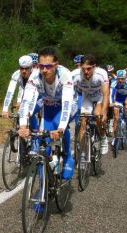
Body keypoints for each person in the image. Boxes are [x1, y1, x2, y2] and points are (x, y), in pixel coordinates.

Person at [18, 47, 75, 181]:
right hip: (49, 106)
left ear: (56, 65)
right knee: (43, 150)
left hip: (65, 106)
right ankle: (42, 193)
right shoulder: (35, 76)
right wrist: (22, 125)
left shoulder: (64, 74)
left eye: (48, 66)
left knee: (57, 125)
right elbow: (26, 101)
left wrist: (61, 128)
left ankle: (67, 156)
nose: (44, 70)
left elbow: (67, 103)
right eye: (41, 66)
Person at [72, 54, 110, 155]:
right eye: (83, 69)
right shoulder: (75, 74)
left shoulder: (101, 73)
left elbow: (106, 93)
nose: (86, 72)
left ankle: (103, 138)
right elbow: (67, 92)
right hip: (87, 96)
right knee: (83, 120)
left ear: (94, 66)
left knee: (98, 115)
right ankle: (83, 155)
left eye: (89, 69)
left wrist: (104, 112)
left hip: (99, 95)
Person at [1, 54, 40, 130]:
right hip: (28, 95)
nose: (24, 71)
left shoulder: (36, 75)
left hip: (39, 97)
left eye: (26, 68)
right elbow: (10, 92)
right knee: (21, 113)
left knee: (29, 114)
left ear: (31, 67)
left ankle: (36, 139)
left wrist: (29, 110)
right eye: (22, 68)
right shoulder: (16, 74)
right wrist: (5, 109)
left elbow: (35, 95)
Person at [110, 70, 127, 144]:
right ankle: (115, 136)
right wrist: (111, 102)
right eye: (119, 78)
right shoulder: (114, 82)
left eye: (122, 78)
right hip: (119, 98)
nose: (120, 80)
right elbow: (111, 94)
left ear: (126, 77)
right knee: (116, 116)